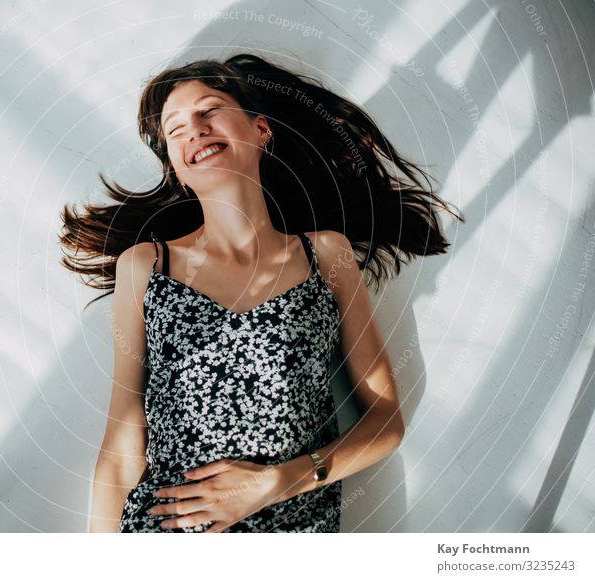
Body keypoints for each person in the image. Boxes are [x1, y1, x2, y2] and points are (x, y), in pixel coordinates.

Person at [60, 53, 464, 532]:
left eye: (209, 110)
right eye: (176, 130)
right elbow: (123, 444)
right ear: (176, 169)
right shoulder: (147, 266)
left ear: (260, 131)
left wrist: (280, 481)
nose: (195, 130)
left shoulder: (326, 256)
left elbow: (384, 421)